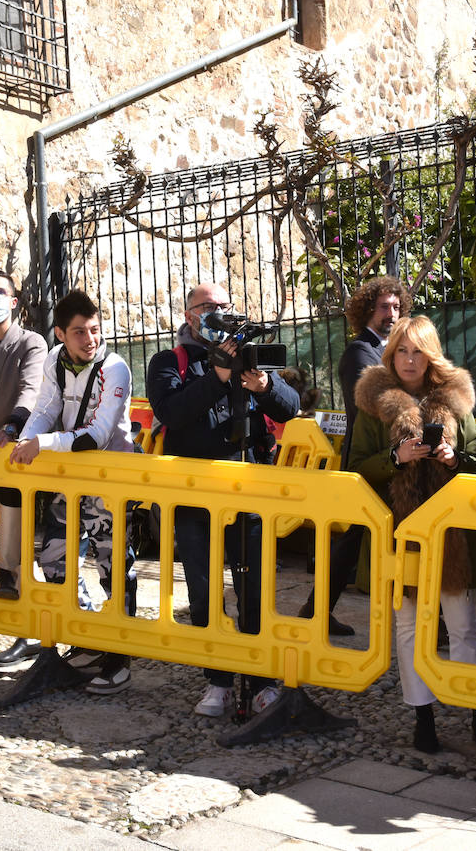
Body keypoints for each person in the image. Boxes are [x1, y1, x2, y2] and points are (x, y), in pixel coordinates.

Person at [346, 315, 476, 757]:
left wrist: (453, 458)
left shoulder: (454, 398)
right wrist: (395, 457)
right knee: (410, 625)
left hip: (450, 533)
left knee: (464, 626)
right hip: (398, 532)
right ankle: (423, 717)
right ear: (391, 353)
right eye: (401, 351)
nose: (409, 360)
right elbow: (355, 465)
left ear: (432, 354)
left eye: (418, 351)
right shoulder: (373, 400)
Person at [145, 282, 300, 717]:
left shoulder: (249, 353)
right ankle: (217, 681)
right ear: (190, 315)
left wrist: (264, 385)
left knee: (253, 587)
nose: (218, 312)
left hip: (249, 491)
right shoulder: (168, 361)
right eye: (208, 307)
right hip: (194, 498)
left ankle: (262, 680)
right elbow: (171, 412)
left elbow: (290, 409)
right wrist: (217, 377)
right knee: (203, 588)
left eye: (224, 305)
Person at [9, 290, 138, 695]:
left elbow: (97, 436)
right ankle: (87, 636)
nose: (90, 339)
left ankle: (119, 657)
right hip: (69, 481)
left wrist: (42, 445)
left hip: (109, 483)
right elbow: (45, 409)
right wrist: (24, 441)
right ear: (61, 334)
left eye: (95, 330)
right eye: (79, 332)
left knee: (113, 567)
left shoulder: (114, 369)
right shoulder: (54, 361)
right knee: (53, 560)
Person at [301, 276, 412, 636]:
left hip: (396, 455)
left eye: (396, 307)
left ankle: (315, 609)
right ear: (366, 310)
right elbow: (368, 407)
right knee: (362, 537)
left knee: (359, 538)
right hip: (371, 458)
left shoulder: (393, 349)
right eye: (384, 307)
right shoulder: (359, 353)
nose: (391, 314)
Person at [0, 269, 48, 668]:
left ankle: (30, 633)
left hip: (19, 458)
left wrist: (13, 427)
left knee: (17, 553)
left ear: (14, 302)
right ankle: (26, 631)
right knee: (4, 549)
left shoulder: (31, 343)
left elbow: (30, 391)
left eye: (0, 292)